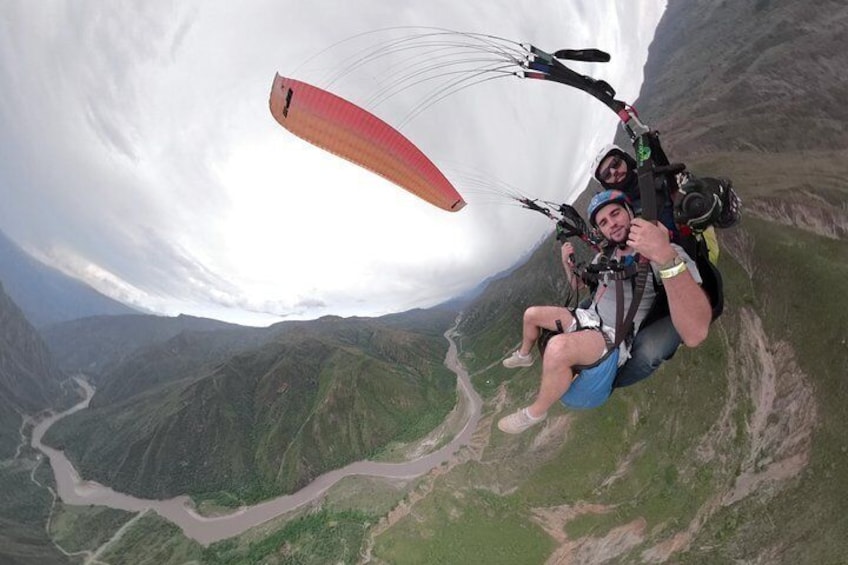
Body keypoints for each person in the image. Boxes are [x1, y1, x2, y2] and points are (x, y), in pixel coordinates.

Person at [497, 190, 712, 434]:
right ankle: (524, 356)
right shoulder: (604, 255)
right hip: (587, 318)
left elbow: (694, 325)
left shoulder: (658, 250)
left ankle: (534, 413)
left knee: (558, 349)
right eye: (604, 222)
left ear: (630, 212)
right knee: (531, 315)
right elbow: (582, 286)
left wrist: (664, 253)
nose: (613, 224)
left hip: (611, 335)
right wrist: (568, 267)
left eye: (615, 213)